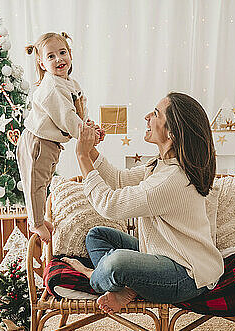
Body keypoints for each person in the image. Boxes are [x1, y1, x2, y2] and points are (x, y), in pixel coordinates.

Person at [62, 92, 224, 314]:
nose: (147, 116)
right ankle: (126, 286)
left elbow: (110, 204)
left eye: (156, 114)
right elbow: (118, 180)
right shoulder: (162, 166)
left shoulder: (170, 180)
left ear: (172, 133)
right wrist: (90, 149)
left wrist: (81, 157)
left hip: (187, 275)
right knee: (97, 235)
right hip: (161, 253)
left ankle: (96, 276)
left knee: (115, 263)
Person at [17, 32, 103, 242]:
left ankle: (37, 219)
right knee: (35, 183)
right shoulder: (52, 86)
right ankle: (36, 223)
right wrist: (86, 135)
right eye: (51, 56)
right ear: (42, 63)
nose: (59, 59)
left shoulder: (70, 83)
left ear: (70, 54)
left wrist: (90, 127)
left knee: (43, 181)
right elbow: (67, 117)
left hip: (50, 142)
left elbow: (79, 110)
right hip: (38, 141)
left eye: (62, 53)